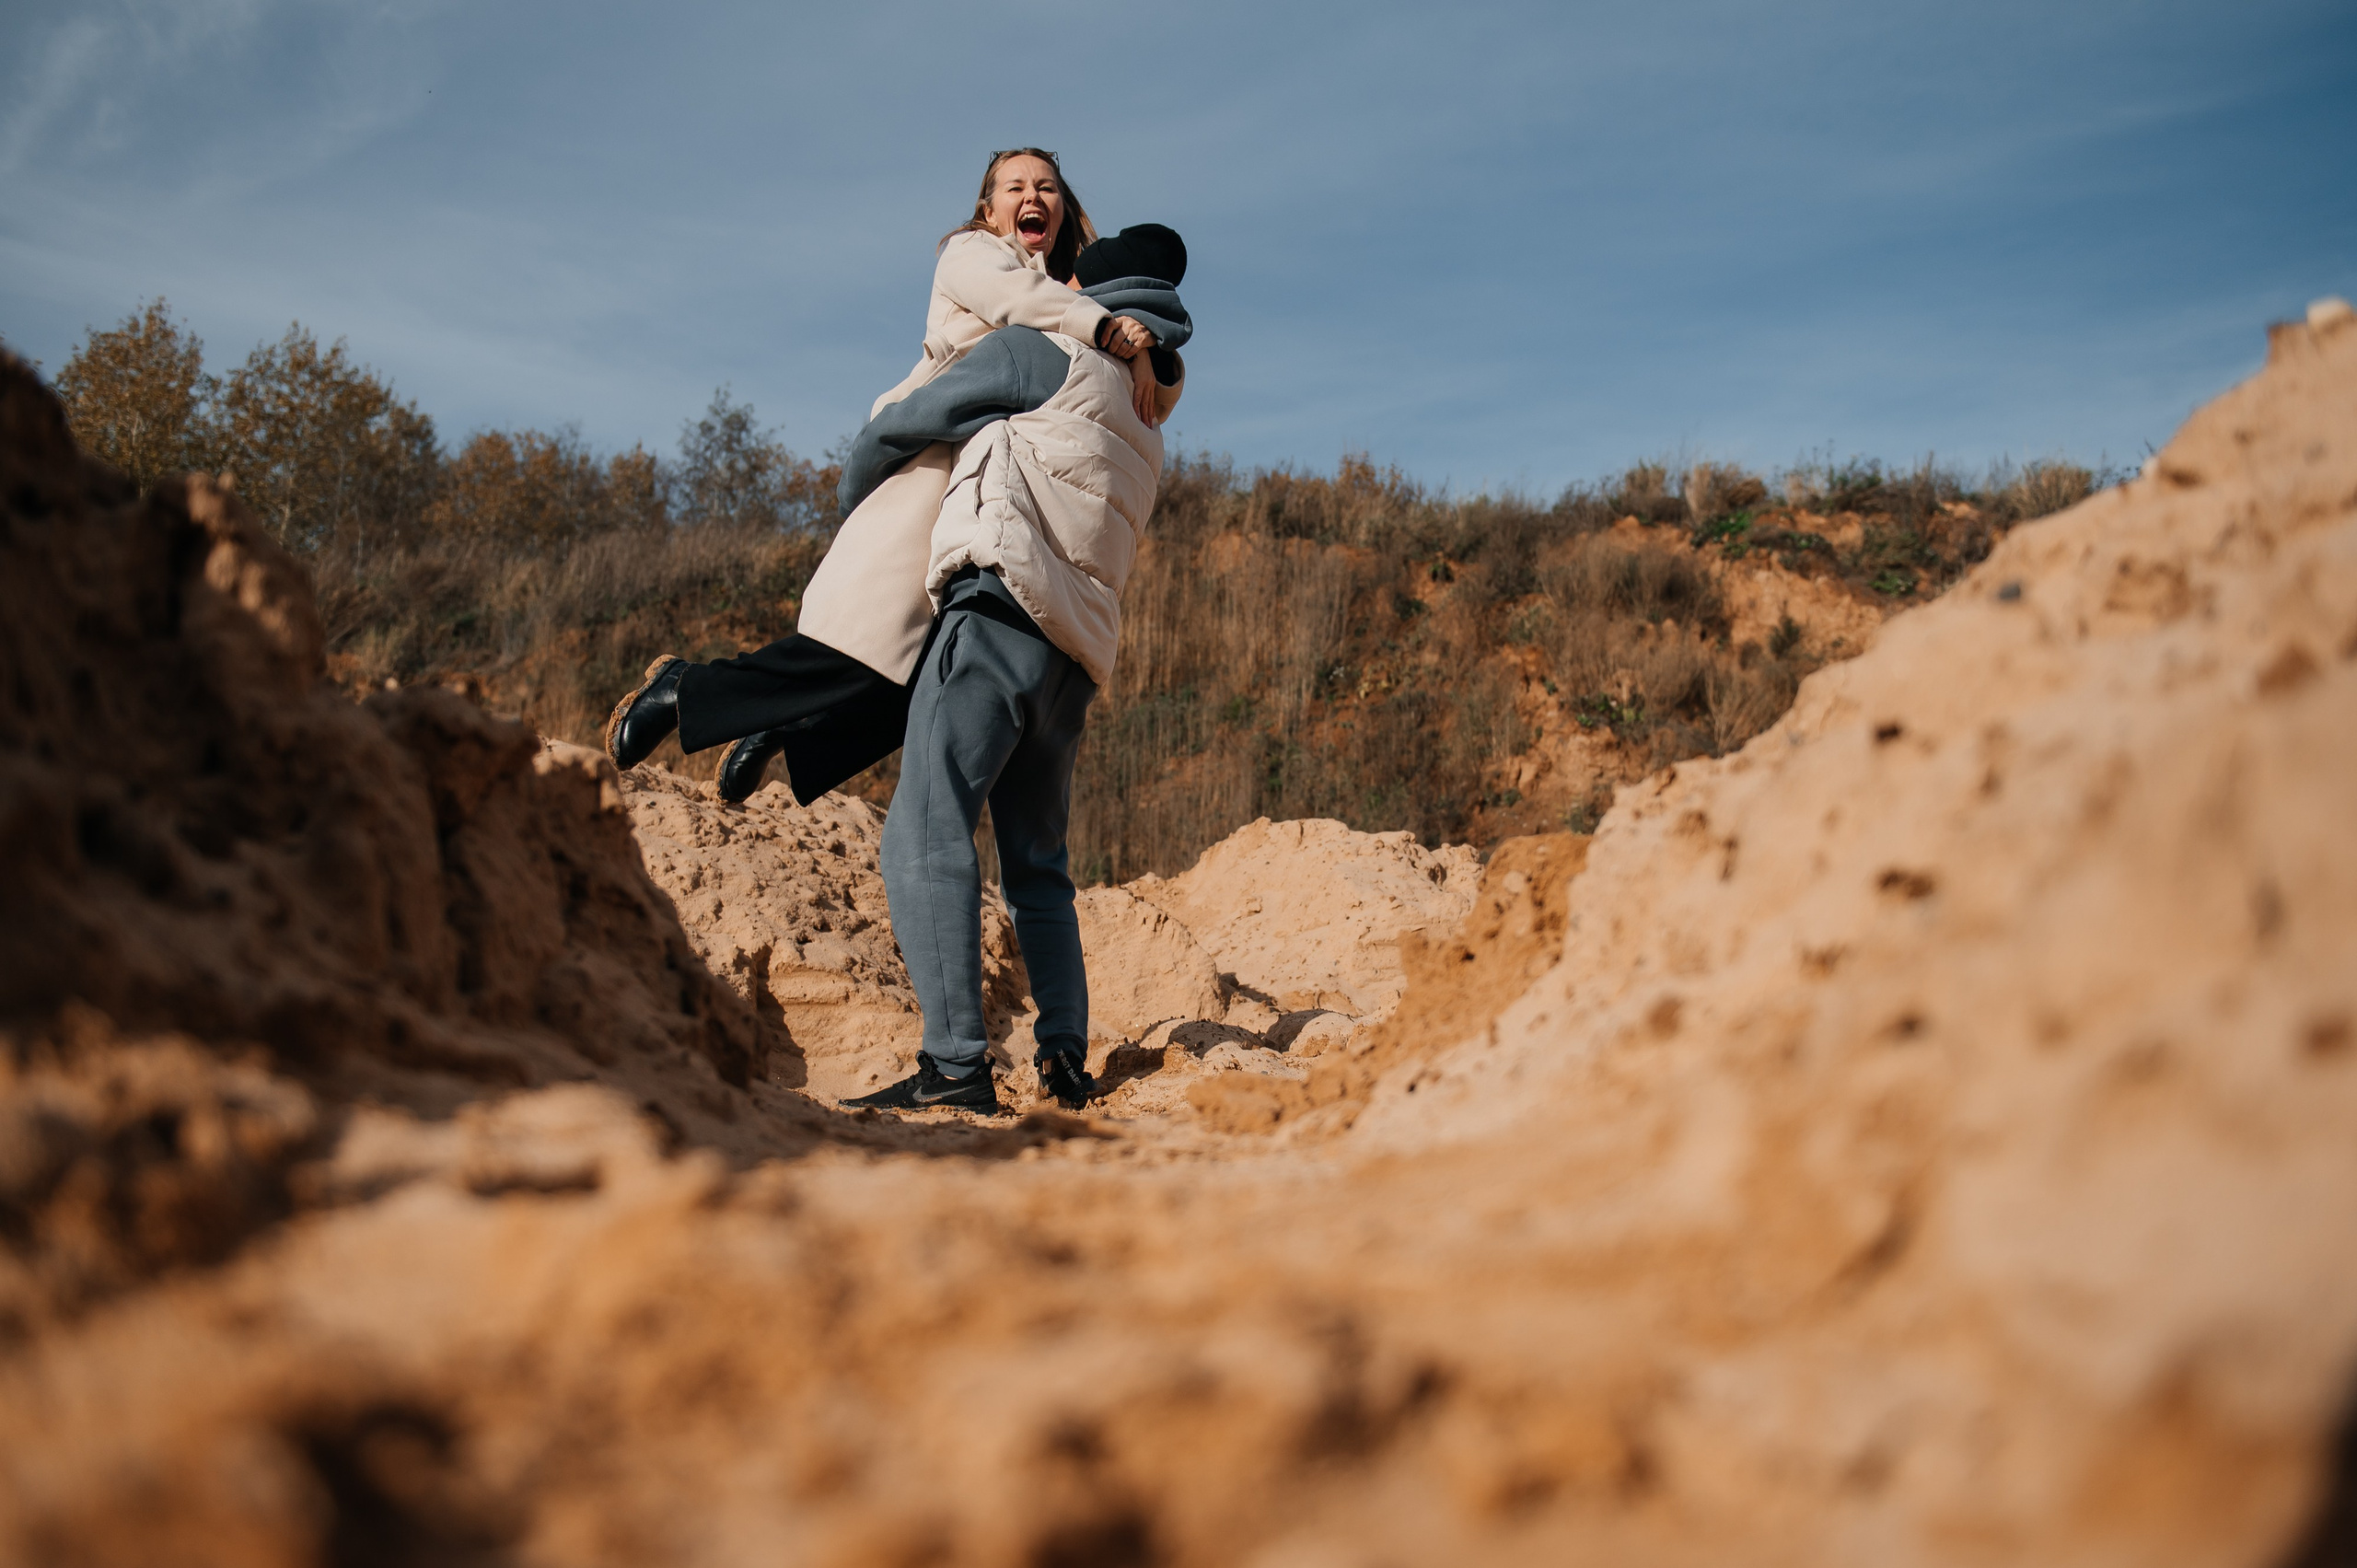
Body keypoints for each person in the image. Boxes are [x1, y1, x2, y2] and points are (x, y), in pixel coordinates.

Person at [605, 149, 1170, 797]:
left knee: (925, 679)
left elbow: (1127, 372)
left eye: (1047, 186)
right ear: (988, 210)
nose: (1031, 195)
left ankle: (780, 726)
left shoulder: (1073, 296)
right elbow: (1020, 303)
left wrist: (1146, 348)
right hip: (933, 466)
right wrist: (1109, 330)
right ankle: (683, 689)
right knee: (862, 646)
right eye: (1014, 186)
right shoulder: (975, 255)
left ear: (1064, 208)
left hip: (994, 494)